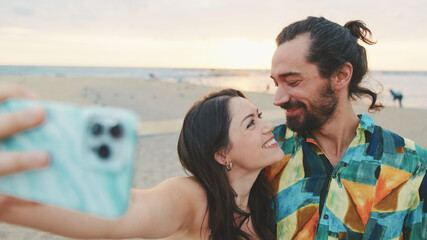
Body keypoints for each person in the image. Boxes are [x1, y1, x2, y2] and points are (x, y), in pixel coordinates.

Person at [0, 86, 281, 240]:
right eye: (251, 123)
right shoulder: (193, 199)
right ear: (222, 154)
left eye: (259, 115)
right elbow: (126, 212)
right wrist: (8, 202)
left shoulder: (266, 199)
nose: (268, 126)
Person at [267, 16, 426, 239]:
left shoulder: (412, 164)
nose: (278, 98)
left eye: (292, 82)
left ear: (341, 76)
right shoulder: (266, 153)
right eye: (276, 83)